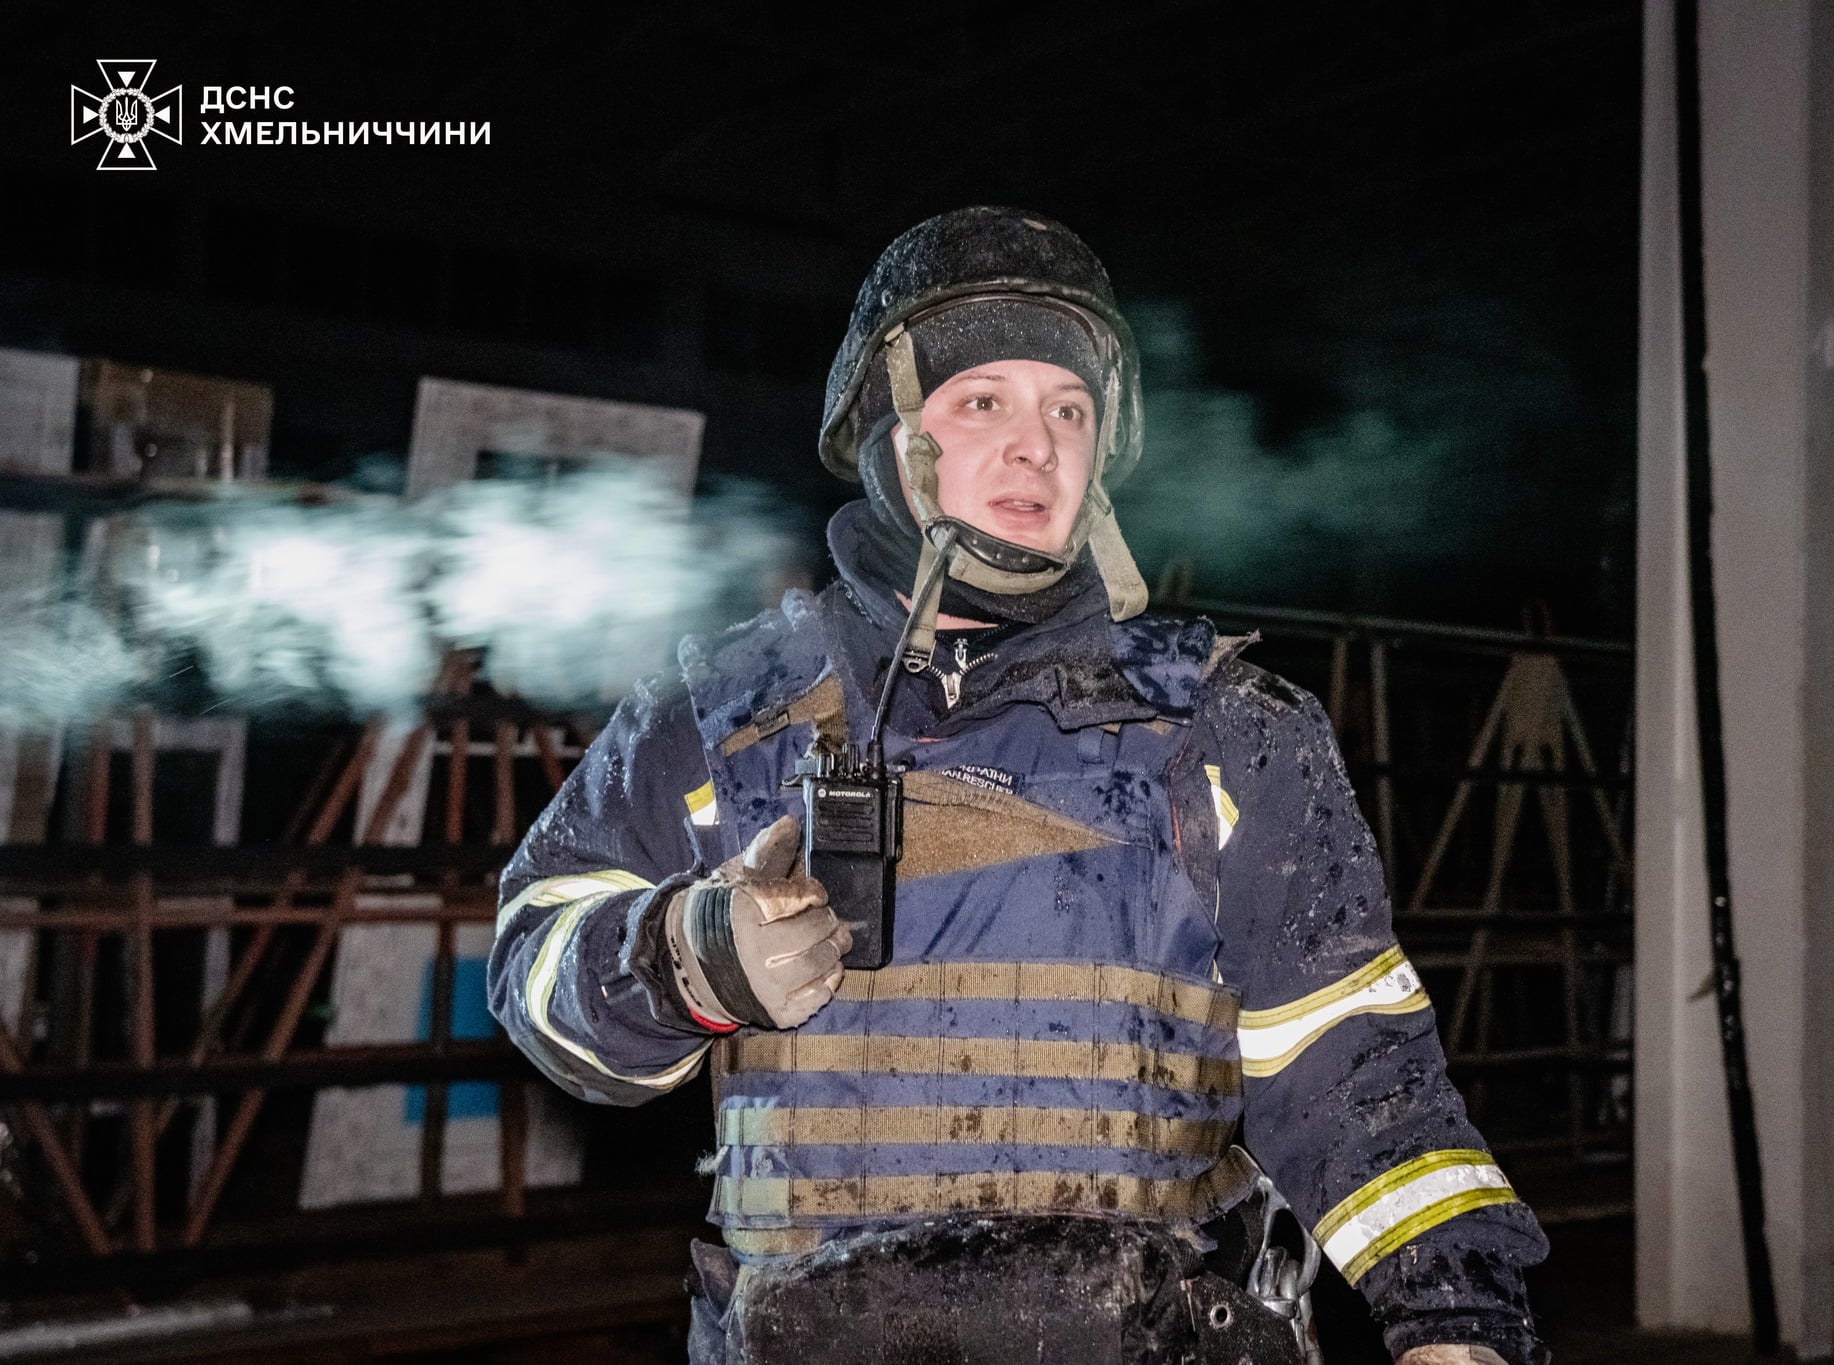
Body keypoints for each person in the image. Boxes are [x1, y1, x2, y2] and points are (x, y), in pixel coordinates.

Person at [488, 206, 1549, 1365]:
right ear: (892, 435)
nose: (1035, 445)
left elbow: (1354, 1069)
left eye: (1068, 409)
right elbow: (534, 966)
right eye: (981, 401)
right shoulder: (724, 713)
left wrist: (1453, 1320)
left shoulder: (1228, 729)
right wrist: (687, 956)